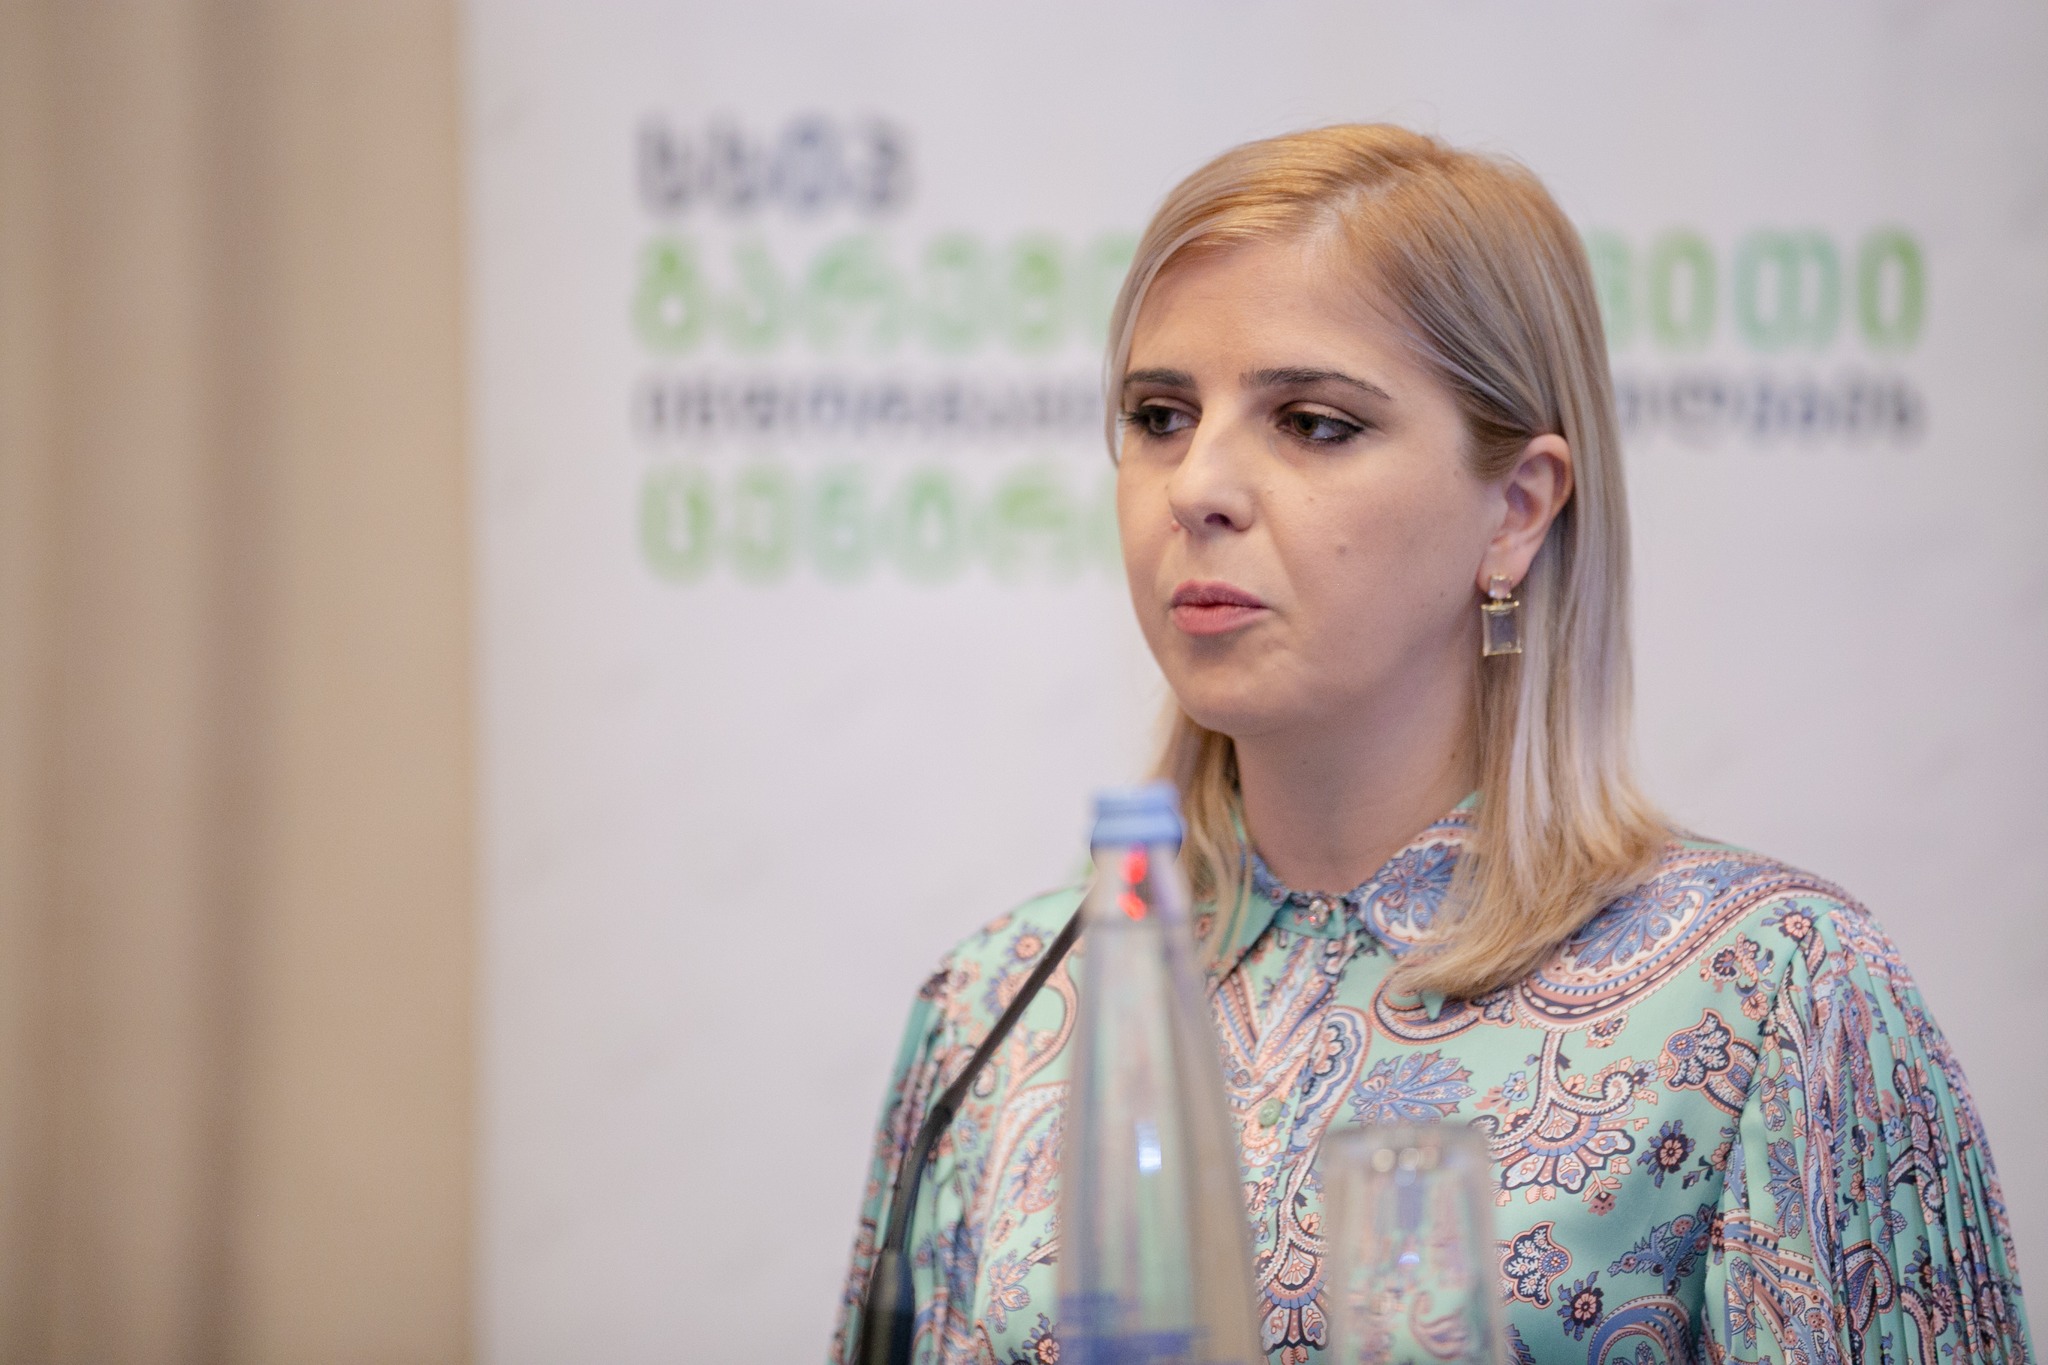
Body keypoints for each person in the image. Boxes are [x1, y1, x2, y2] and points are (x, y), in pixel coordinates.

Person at [830, 125, 2029, 1365]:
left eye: (1311, 423)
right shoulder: (997, 1008)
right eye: (1158, 415)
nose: (1194, 487)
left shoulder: (1769, 994)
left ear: (1515, 509)